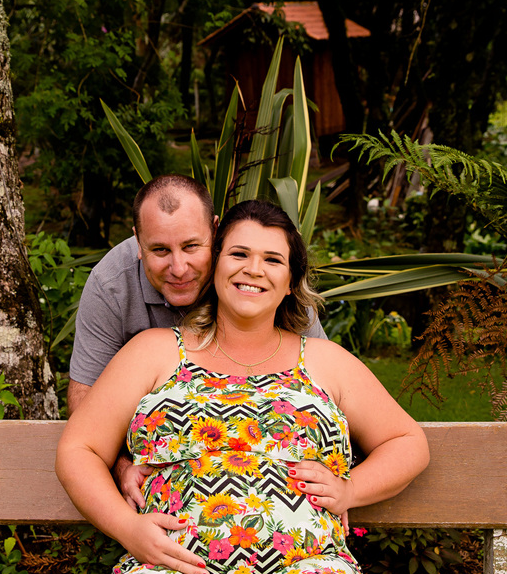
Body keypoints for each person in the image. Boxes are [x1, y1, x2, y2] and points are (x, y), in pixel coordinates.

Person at [57, 200, 429, 574]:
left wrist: (351, 488)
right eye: (239, 254)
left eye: (272, 259)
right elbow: (79, 448)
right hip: (171, 573)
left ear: (290, 281)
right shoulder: (153, 352)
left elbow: (407, 442)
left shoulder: (326, 362)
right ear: (215, 265)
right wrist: (128, 529)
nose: (254, 269)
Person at [69, 175, 325, 507]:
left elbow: (322, 386)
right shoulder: (111, 285)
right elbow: (85, 397)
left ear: (215, 231)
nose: (179, 268)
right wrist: (121, 466)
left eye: (191, 246)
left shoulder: (259, 281)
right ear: (138, 243)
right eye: (160, 250)